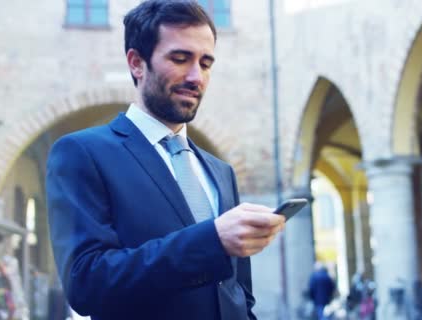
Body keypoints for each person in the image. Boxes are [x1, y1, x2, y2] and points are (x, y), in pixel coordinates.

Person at [45, 1, 285, 319]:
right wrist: (211, 239)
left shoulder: (220, 171)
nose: (196, 77)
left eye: (206, 62)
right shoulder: (83, 153)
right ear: (136, 63)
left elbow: (238, 291)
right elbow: (86, 283)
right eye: (180, 59)